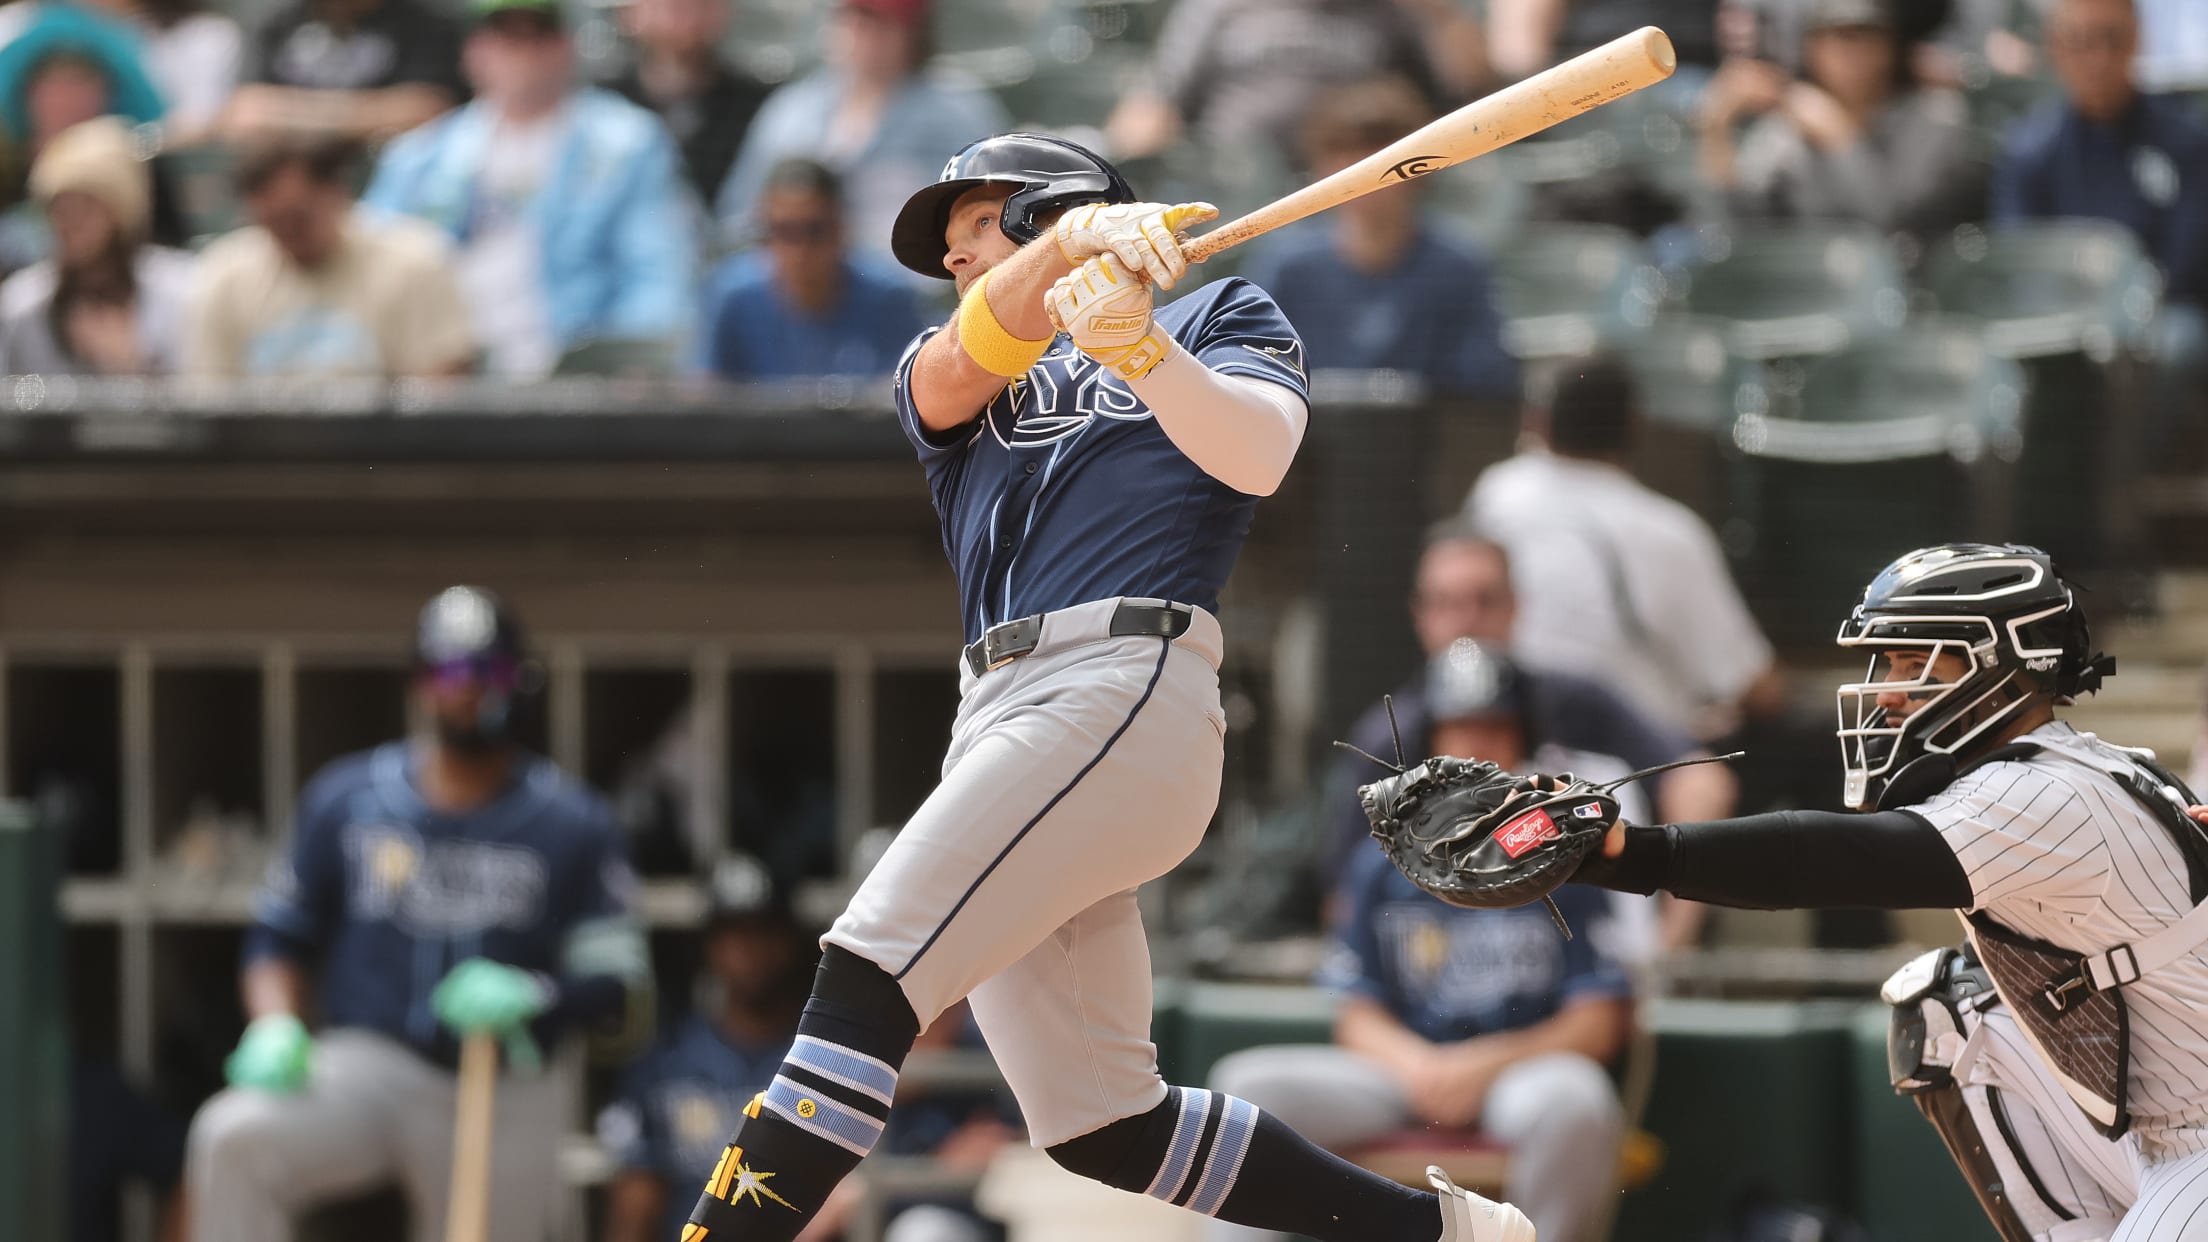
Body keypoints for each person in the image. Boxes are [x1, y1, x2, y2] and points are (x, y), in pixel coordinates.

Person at [683, 130, 1537, 1242]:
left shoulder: (1220, 312)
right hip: (1002, 710)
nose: (955, 258)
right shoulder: (954, 360)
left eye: (976, 226)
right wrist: (1073, 249)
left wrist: (1144, 350)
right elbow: (951, 371)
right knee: (1101, 1122)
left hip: (1123, 679)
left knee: (868, 971)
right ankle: (1447, 1237)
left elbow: (1261, 456)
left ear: (1051, 207)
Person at [1534, 542, 2208, 1242]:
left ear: (2001, 667)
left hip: (2199, 1137)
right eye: (1888, 664)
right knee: (1955, 1009)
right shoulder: (2076, 764)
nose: (1887, 691)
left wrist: (1633, 851)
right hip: (2162, 1134)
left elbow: (1828, 858)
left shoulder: (2039, 790)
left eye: (1916, 665)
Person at [184, 586, 653, 1242]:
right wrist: (276, 1025)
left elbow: (620, 987)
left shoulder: (572, 820)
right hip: (371, 1066)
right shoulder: (348, 799)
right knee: (232, 1135)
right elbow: (278, 939)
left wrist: (536, 993)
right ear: (419, 683)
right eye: (446, 672)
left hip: (508, 1079)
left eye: (485, 672)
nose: (465, 691)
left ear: (519, 681)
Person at [1212, 645, 1639, 1242]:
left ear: (1522, 741)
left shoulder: (1566, 858)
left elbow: (1598, 1021)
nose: (1475, 746)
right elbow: (1356, 1013)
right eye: (1459, 727)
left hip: (1519, 1076)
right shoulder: (1382, 861)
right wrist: (1421, 1068)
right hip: (1403, 1072)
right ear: (1434, 743)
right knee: (1246, 1088)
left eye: (1493, 728)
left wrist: (1483, 1064)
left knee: (1579, 1102)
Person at [1328, 519, 1736, 948]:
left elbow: (1702, 781)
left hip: (1580, 943)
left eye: (1485, 600)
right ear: (1420, 615)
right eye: (1446, 603)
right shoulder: (1388, 735)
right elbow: (1345, 895)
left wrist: (1663, 949)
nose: (1466, 620)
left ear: (1515, 606)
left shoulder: (1576, 704)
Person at [362, 0, 696, 379]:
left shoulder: (627, 146)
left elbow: (657, 277)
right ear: (473, 50)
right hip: (445, 375)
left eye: (539, 35)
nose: (523, 53)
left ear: (567, 45)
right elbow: (374, 273)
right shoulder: (419, 159)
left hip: (576, 378)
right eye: (505, 36)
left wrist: (632, 365)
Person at [1465, 356, 1783, 747]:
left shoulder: (1497, 492)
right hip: (1627, 765)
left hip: (1509, 750)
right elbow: (1753, 686)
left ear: (1540, 423)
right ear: (1635, 424)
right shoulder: (1670, 534)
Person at [1991, 0, 2208, 463]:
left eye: (2113, 39)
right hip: (2057, 321)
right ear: (2056, 48)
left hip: (2155, 313)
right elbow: (2018, 262)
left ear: (2137, 41)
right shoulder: (2029, 150)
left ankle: (2113, 476)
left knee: (2177, 342)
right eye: (2081, 42)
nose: (2098, 59)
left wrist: (2124, 314)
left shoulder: (2186, 140)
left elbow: (2185, 260)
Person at [1240, 76, 1517, 400]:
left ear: (1419, 170)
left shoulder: (1459, 268)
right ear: (1323, 169)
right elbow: (1252, 375)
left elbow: (1484, 389)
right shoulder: (1287, 265)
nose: (1367, 185)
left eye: (1381, 163)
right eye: (1349, 162)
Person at [715, 0, 1005, 278]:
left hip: (918, 288)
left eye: (874, 20)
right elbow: (738, 219)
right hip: (801, 291)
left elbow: (995, 215)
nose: (858, 30)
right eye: (849, 16)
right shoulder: (792, 111)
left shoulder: (958, 112)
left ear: (911, 30)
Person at [602, 854, 809, 1242]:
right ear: (709, 945)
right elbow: (635, 1207)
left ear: (790, 940)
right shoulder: (666, 1062)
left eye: (764, 931)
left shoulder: (820, 1059)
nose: (750, 950)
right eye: (734, 934)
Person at [183, 133, 475, 378]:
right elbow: (209, 398)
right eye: (271, 222)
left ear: (336, 191)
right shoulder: (224, 276)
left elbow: (440, 389)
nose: (287, 232)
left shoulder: (415, 263)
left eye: (297, 217)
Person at [1700, 0, 1981, 240]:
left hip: (1906, 277)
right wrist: (1716, 132)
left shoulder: (1935, 116)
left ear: (1890, 46)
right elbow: (1739, 226)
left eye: (1862, 36)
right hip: (1803, 273)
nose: (1849, 53)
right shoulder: (1794, 120)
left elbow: (1890, 223)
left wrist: (1841, 139)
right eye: (1833, 37)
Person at [1103, 0, 1457, 163]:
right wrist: (1126, 169)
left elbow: (1460, 94)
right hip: (1232, 177)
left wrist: (1438, 13)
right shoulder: (1220, 7)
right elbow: (1159, 101)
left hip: (1345, 187)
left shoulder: (1391, 12)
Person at [697, 157, 924, 382]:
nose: (800, 249)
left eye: (815, 230)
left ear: (841, 229)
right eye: (784, 231)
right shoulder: (732, 300)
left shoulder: (890, 300)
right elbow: (708, 392)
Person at [0, 116, 193, 374]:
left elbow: (201, 391)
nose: (70, 222)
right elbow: (16, 393)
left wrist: (134, 368)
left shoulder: (181, 293)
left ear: (121, 212)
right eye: (60, 207)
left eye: (85, 207)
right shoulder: (22, 305)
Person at [224, 0, 464, 142]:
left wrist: (286, 115)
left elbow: (427, 112)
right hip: (293, 183)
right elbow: (245, 113)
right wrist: (368, 116)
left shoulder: (425, 23)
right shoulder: (278, 21)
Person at [608, 0, 766, 207]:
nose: (683, 17)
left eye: (698, 4)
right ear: (628, 12)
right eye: (668, 5)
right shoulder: (601, 107)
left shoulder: (764, 108)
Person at [87, 0, 244, 143]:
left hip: (178, 145)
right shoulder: (123, 32)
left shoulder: (210, 33)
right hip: (127, 140)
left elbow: (200, 116)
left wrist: (137, 140)